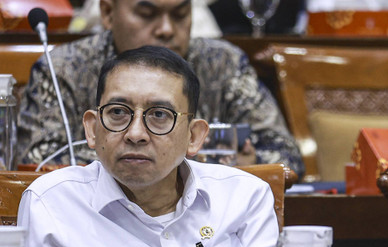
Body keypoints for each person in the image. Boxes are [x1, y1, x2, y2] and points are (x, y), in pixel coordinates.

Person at [17, 45, 278, 247]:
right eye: (117, 113)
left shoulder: (245, 197)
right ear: (91, 128)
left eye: (159, 115)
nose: (136, 133)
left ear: (194, 136)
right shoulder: (52, 205)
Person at [17, 0, 305, 178]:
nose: (166, 29)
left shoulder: (224, 63)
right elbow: (38, 161)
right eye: (147, 14)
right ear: (107, 11)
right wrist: (193, 160)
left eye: (180, 14)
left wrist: (253, 160)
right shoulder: (64, 69)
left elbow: (286, 156)